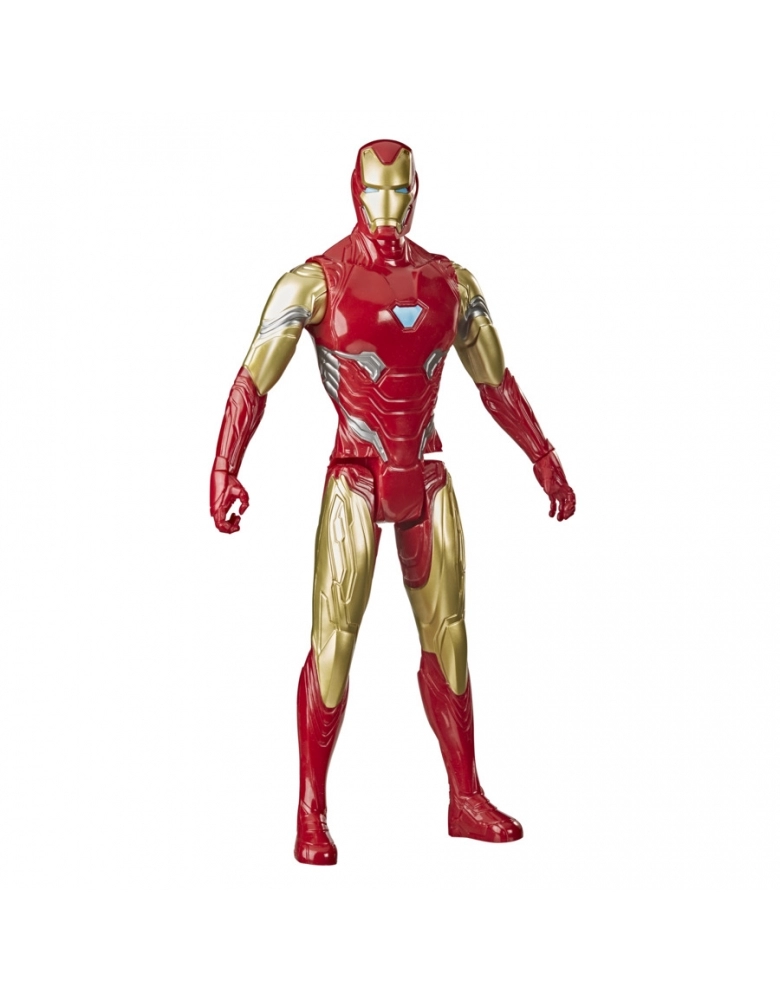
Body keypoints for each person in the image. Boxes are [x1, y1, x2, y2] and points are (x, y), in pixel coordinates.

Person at [210, 139, 576, 865]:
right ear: (355, 192)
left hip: (426, 473)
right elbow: (253, 378)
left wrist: (544, 456)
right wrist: (225, 467)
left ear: (415, 192)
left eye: (399, 191)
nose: (386, 206)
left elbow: (495, 381)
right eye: (375, 191)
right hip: (353, 472)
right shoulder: (313, 283)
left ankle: (465, 797)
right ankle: (310, 814)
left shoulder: (450, 282)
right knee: (334, 646)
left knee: (452, 638)